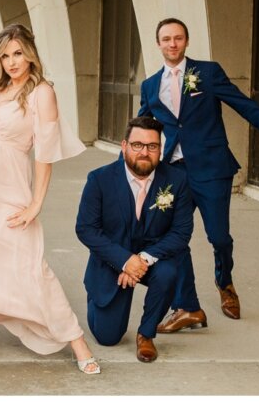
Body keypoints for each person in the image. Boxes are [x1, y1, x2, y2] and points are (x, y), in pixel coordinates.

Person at [0, 24, 99, 373]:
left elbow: (45, 152)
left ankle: (76, 340)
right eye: (5, 56)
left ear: (30, 53)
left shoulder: (42, 92)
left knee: (30, 267)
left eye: (18, 53)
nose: (11, 62)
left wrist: (36, 203)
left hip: (7, 191)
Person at [139, 18, 259, 332]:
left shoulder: (206, 73)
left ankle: (225, 282)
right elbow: (143, 126)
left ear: (186, 41)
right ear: (158, 44)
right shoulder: (150, 85)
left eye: (178, 38)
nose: (172, 44)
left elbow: (240, 102)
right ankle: (188, 307)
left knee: (218, 237)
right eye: (166, 39)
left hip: (211, 168)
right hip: (174, 173)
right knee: (171, 238)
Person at [75, 116, 194, 363]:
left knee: (169, 271)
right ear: (124, 146)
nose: (144, 152)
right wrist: (123, 260)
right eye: (137, 145)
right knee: (107, 337)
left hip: (152, 258)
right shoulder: (99, 179)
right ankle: (99, 295)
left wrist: (141, 259)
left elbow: (181, 233)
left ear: (160, 150)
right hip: (112, 260)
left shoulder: (177, 180)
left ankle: (146, 333)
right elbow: (86, 229)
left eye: (152, 146)